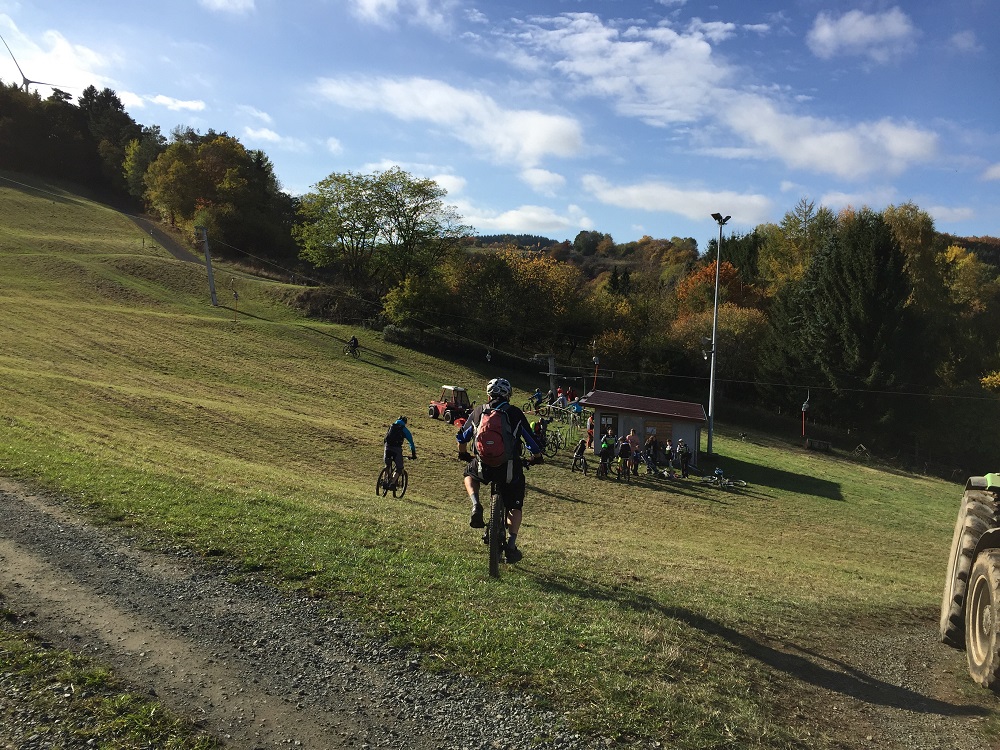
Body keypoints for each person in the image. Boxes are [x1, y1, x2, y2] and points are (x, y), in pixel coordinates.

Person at [456, 378, 542, 564]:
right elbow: (531, 442)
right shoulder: (514, 413)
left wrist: (463, 454)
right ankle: (511, 544)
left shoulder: (478, 411)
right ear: (508, 395)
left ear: (489, 394)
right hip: (509, 469)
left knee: (468, 474)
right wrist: (536, 457)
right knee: (515, 505)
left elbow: (462, 437)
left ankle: (475, 504)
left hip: (483, 467)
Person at [383, 416, 416, 488]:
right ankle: (392, 483)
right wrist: (413, 454)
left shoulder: (391, 426)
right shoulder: (404, 430)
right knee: (400, 468)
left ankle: (384, 481)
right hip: (396, 449)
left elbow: (385, 438)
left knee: (387, 465)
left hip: (387, 447)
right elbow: (411, 443)